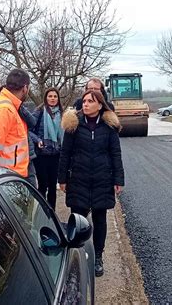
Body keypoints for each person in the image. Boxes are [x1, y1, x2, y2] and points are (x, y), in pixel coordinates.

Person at [58, 90, 124, 277]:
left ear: (100, 105)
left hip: (102, 179)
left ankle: (98, 257)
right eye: (84, 101)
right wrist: (62, 179)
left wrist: (118, 179)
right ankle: (75, 256)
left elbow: (115, 154)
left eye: (90, 101)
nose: (85, 104)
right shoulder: (74, 124)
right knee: (77, 220)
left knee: (99, 220)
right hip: (78, 179)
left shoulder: (109, 126)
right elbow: (65, 154)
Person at [0, 69, 30, 177]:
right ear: (25, 88)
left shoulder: (6, 105)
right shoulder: (5, 109)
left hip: (7, 175)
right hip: (6, 176)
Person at [29, 88, 64, 209]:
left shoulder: (62, 113)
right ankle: (42, 212)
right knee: (43, 185)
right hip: (41, 155)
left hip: (56, 154)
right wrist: (38, 140)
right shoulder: (39, 112)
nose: (53, 98)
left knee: (53, 186)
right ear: (46, 98)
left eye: (55, 96)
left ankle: (52, 213)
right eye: (50, 96)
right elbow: (28, 130)